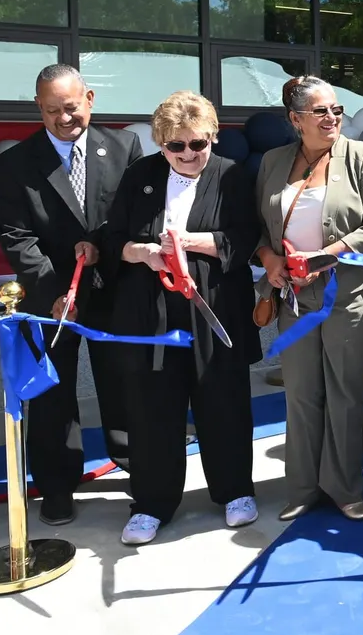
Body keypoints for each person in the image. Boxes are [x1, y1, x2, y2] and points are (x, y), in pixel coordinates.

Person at [105, 92, 258, 545]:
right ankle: (152, 502)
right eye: (177, 146)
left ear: (212, 137)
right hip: (150, 307)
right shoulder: (140, 176)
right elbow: (115, 238)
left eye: (199, 144)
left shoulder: (232, 176)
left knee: (223, 399)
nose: (189, 154)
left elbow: (246, 236)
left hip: (213, 304)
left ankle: (234, 491)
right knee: (153, 406)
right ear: (161, 144)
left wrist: (190, 242)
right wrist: (146, 252)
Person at [0, 64, 141, 527]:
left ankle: (135, 465)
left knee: (122, 382)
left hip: (114, 290)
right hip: (51, 296)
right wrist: (55, 291)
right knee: (54, 395)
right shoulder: (14, 163)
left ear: (90, 99)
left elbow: (131, 218)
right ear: (39, 107)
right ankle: (58, 487)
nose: (64, 118)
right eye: (53, 110)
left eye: (72, 107)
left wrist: (104, 247)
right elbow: (16, 236)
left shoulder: (124, 147)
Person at [255, 77, 363, 521]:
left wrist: (324, 256)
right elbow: (261, 227)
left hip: (350, 292)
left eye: (336, 110)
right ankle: (301, 488)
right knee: (300, 391)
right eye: (321, 111)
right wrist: (269, 259)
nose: (333, 118)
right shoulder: (273, 161)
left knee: (344, 391)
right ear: (296, 119)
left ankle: (343, 487)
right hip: (294, 295)